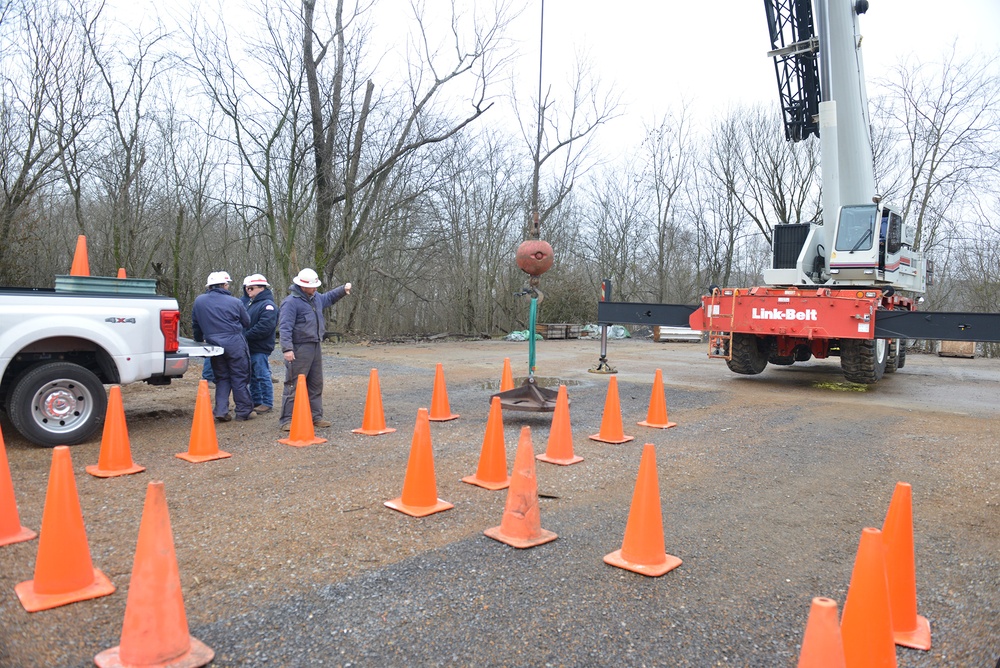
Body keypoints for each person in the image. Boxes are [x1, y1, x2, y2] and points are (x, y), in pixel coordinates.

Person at [277, 268, 352, 431]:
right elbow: (285, 327)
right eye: (313, 286)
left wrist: (342, 290)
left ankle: (315, 416)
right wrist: (287, 349)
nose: (316, 289)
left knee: (316, 383)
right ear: (302, 286)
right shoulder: (290, 303)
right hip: (299, 347)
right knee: (293, 383)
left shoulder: (316, 298)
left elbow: (329, 297)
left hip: (315, 344)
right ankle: (287, 419)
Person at [192, 271, 256, 422]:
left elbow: (196, 325)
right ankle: (243, 411)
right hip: (234, 343)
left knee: (221, 378)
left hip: (214, 345)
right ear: (225, 285)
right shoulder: (235, 302)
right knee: (239, 378)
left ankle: (221, 410)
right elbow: (247, 322)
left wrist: (199, 341)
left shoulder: (199, 301)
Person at [242, 273, 278, 413]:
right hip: (251, 346)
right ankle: (256, 400)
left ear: (261, 288)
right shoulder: (252, 304)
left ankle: (267, 402)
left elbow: (265, 327)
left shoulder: (268, 306)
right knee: (253, 376)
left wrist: (245, 336)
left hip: (260, 347)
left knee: (262, 375)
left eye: (251, 288)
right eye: (247, 288)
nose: (248, 291)